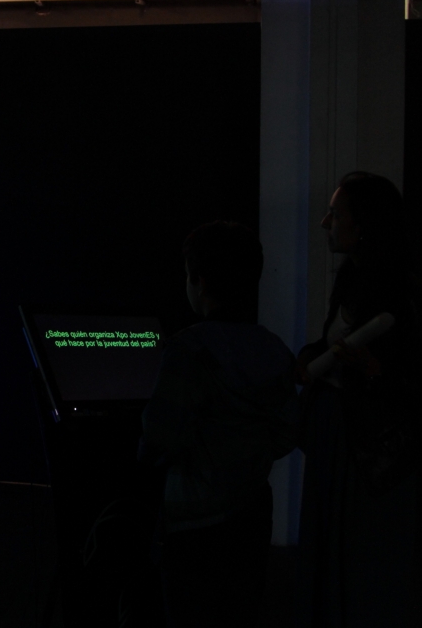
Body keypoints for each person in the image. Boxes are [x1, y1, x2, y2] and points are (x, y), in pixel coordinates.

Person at [141, 221, 300, 628]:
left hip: (193, 526)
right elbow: (288, 431)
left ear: (199, 281)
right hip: (252, 516)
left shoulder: (188, 349)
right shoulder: (273, 348)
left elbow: (160, 437)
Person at [294, 172, 422, 627]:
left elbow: (413, 380)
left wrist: (370, 369)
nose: (325, 222)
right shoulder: (353, 279)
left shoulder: (400, 295)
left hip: (365, 447)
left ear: (364, 224)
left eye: (335, 213)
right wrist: (312, 357)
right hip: (342, 436)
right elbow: (334, 344)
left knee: (360, 555)